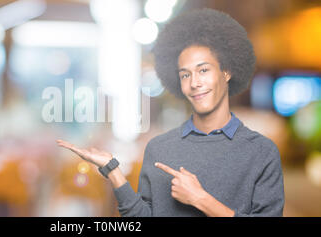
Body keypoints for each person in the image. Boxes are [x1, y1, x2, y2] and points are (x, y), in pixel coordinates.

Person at [56, 8, 284, 217]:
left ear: (226, 72)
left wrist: (200, 199)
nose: (194, 83)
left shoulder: (261, 152)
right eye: (185, 75)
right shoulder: (159, 148)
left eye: (203, 70)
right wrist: (112, 170)